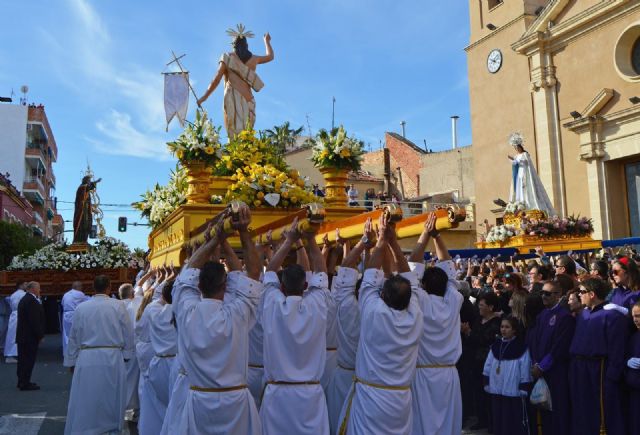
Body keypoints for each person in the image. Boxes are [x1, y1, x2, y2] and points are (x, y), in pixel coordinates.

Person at [172, 206, 262, 434]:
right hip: (235, 404)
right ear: (227, 285)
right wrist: (241, 232)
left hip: (200, 402)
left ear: (199, 286)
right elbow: (252, 274)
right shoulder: (237, 312)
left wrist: (214, 239)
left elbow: (187, 274)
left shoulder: (186, 310)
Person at [338, 212, 423, 434]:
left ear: (383, 296)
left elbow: (370, 276)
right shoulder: (415, 315)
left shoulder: (373, 311)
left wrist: (383, 240)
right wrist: (391, 243)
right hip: (401, 399)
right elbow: (409, 281)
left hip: (371, 397)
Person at [260, 216, 329, 435]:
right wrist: (310, 240)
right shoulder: (317, 305)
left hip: (278, 397)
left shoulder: (272, 303)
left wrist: (290, 241)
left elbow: (269, 271)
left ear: (281, 286)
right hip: (310, 398)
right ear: (306, 285)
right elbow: (321, 272)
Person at [408, 212, 464, 435]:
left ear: (424, 285)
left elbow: (411, 271)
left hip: (422, 375)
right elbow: (449, 270)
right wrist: (437, 236)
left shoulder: (419, 300)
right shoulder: (453, 300)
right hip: (449, 375)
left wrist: (425, 234)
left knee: (422, 426)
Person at [64, 274, 133, 434]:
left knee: (87, 395)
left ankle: (87, 427)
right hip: (112, 357)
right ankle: (109, 427)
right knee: (111, 396)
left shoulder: (82, 308)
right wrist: (127, 354)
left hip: (87, 358)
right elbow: (128, 332)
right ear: (109, 287)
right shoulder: (118, 306)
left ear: (93, 288)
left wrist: (71, 361)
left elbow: (73, 336)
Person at [327, 219, 374, 433]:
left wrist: (364, 243)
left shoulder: (345, 305)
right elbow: (373, 277)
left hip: (344, 375)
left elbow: (345, 271)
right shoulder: (375, 311)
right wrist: (370, 246)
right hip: (366, 380)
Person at [569, 278, 628, 435]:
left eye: (581, 292)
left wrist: (612, 375)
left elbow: (617, 349)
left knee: (602, 412)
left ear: (592, 294)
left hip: (599, 370)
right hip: (579, 369)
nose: (579, 295)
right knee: (582, 410)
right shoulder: (583, 314)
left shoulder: (612, 316)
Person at [197, 25, 274, 138]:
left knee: (235, 137)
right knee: (246, 137)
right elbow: (270, 56)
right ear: (246, 45)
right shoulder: (254, 59)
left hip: (233, 97)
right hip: (249, 100)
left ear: (233, 45)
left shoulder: (227, 57)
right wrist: (266, 41)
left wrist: (205, 96)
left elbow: (216, 79)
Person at [527, 280, 575, 435]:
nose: (543, 296)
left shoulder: (564, 316)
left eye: (547, 293)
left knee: (557, 410)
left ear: (558, 295)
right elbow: (534, 342)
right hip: (539, 371)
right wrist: (535, 363)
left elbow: (559, 347)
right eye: (542, 293)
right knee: (543, 410)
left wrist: (542, 366)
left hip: (555, 372)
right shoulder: (541, 315)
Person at [482, 316, 532, 435]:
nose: (503, 330)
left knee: (512, 421)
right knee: (498, 419)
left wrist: (523, 386)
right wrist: (486, 382)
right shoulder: (495, 346)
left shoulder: (521, 347)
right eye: (502, 327)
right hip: (496, 388)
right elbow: (488, 365)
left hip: (513, 389)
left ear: (514, 330)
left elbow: (525, 367)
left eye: (507, 327)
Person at [468, 292, 502, 431]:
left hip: (488, 362)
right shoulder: (478, 320)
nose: (479, 308)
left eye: (482, 305)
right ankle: (481, 419)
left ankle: (491, 421)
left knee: (489, 392)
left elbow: (485, 339)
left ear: (491, 307)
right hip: (475, 361)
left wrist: (469, 332)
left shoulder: (496, 323)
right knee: (478, 391)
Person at [147, 280, 178, 427]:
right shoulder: (183, 310)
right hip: (177, 365)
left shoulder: (153, 310)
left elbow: (155, 297)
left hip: (158, 364)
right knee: (175, 406)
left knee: (160, 405)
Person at [507, 133, 554, 216]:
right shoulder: (516, 156)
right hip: (519, 174)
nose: (516, 149)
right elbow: (515, 163)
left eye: (517, 147)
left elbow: (525, 162)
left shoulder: (525, 154)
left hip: (525, 172)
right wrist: (512, 160)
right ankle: (521, 202)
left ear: (520, 147)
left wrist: (516, 161)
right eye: (515, 148)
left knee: (525, 187)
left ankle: (528, 203)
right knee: (519, 187)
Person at [16, 281, 45, 391]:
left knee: (23, 359)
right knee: (28, 360)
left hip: (23, 335)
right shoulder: (31, 301)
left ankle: (21, 381)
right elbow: (34, 320)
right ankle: (25, 382)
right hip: (29, 336)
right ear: (33, 289)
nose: (40, 290)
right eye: (38, 288)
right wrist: (40, 335)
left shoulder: (26, 299)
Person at [119, 283, 140, 420]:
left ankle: (120, 405)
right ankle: (131, 406)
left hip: (117, 348)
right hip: (131, 347)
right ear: (132, 294)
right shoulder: (134, 306)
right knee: (133, 378)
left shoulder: (116, 306)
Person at [60, 281, 90, 357]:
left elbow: (62, 304)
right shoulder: (80, 294)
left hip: (66, 316)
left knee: (67, 335)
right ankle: (76, 352)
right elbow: (87, 302)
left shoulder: (66, 294)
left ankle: (67, 353)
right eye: (81, 287)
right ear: (78, 287)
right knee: (77, 334)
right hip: (75, 315)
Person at [72, 175, 101, 244]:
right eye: (89, 181)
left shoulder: (85, 189)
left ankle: (84, 240)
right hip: (81, 211)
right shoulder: (82, 187)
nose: (89, 182)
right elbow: (89, 187)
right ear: (86, 181)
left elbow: (89, 188)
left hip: (86, 211)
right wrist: (96, 181)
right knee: (81, 225)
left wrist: (92, 209)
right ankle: (79, 241)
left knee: (86, 225)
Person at [626, 301, 640, 434]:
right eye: (634, 316)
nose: (636, 320)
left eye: (639, 316)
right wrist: (627, 361)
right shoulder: (633, 337)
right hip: (634, 392)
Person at [4, 281, 26, 363]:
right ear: (20, 285)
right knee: (14, 336)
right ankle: (10, 355)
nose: (26, 285)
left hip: (16, 315)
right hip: (18, 315)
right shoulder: (21, 294)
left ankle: (15, 353)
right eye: (25, 284)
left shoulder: (15, 294)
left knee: (14, 335)